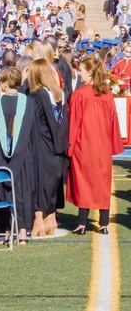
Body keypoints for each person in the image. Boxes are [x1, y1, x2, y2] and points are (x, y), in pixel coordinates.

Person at [68, 56, 125, 235]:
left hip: (83, 145)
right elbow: (113, 122)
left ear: (90, 72)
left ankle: (82, 224)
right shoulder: (107, 94)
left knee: (84, 182)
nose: (79, 73)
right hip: (102, 147)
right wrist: (113, 146)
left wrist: (69, 147)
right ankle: (104, 223)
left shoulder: (79, 95)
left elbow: (73, 123)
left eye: (81, 70)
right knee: (102, 183)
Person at [0, 67, 36, 245]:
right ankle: (22, 233)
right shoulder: (28, 103)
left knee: (5, 192)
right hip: (24, 158)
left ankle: (6, 231)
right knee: (22, 192)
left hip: (1, 159)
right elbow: (33, 134)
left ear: (6, 83)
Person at [27, 59, 69, 237]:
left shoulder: (37, 95)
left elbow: (31, 121)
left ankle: (39, 222)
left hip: (41, 145)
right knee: (53, 185)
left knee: (39, 183)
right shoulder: (60, 94)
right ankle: (50, 220)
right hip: (58, 146)